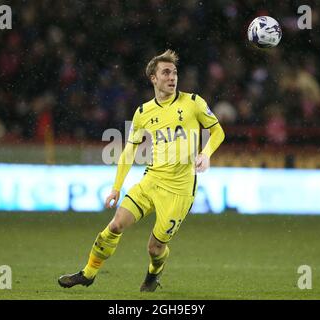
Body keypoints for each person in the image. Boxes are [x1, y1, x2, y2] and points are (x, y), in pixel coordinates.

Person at [58, 50, 225, 292]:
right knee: (115, 225)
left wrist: (206, 154)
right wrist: (116, 187)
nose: (172, 77)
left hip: (179, 189)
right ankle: (88, 273)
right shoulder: (143, 112)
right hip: (152, 180)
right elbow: (128, 152)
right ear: (153, 78)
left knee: (155, 248)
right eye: (166, 72)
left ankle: (153, 274)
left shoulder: (193, 103)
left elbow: (218, 131)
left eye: (175, 72)